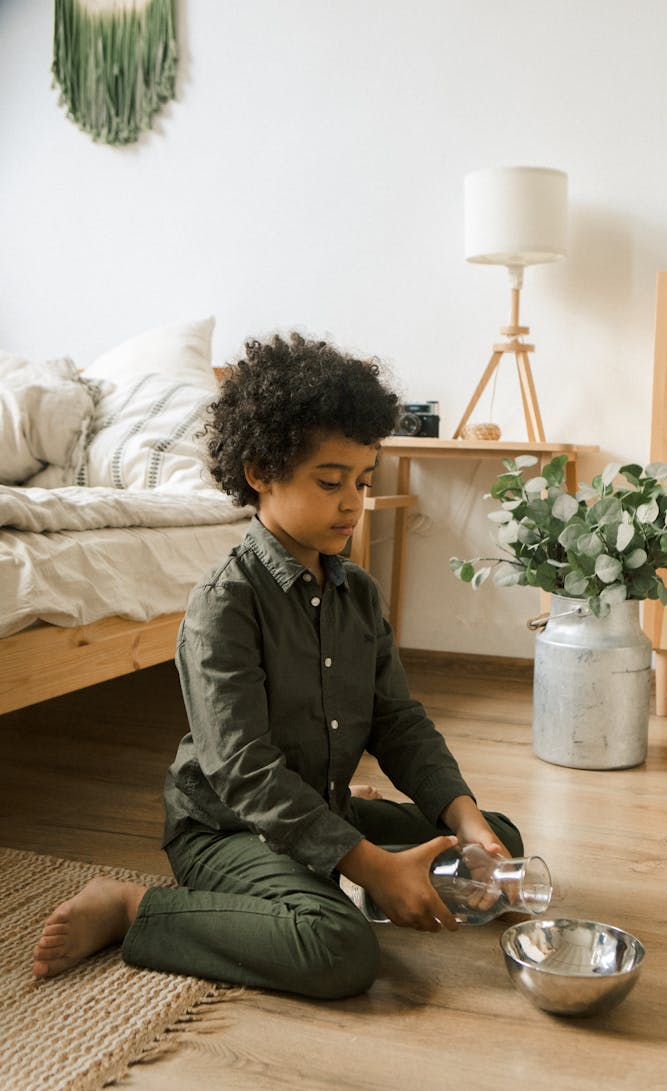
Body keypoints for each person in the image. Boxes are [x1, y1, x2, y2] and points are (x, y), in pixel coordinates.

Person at [32, 332, 523, 1000]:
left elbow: (398, 721)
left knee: (500, 839)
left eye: (361, 481)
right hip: (225, 827)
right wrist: (373, 866)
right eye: (330, 482)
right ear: (261, 471)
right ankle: (134, 908)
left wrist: (467, 820)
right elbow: (245, 772)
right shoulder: (224, 603)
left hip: (322, 806)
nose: (353, 502)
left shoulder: (359, 594)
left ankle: (360, 862)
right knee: (338, 947)